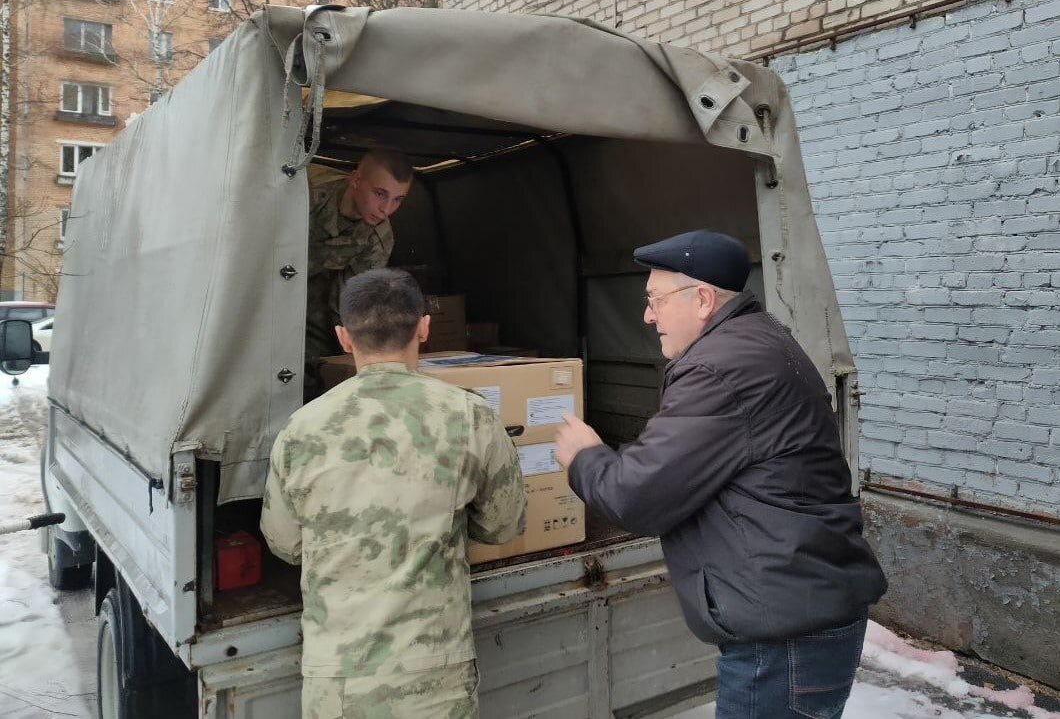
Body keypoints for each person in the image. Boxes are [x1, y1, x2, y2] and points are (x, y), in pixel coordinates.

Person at [554, 229, 887, 719]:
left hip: (785, 640)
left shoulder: (721, 369)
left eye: (655, 299)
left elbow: (637, 495)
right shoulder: (757, 340)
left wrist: (586, 456)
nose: (648, 315)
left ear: (703, 299)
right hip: (798, 615)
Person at [262, 268, 527, 718]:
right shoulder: (469, 416)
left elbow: (286, 544)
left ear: (344, 338)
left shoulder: (301, 429)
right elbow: (503, 525)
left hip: (337, 680)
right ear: (424, 327)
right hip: (435, 677)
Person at [303, 148, 414, 401]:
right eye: (380, 194)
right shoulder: (305, 191)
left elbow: (354, 297)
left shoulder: (378, 237)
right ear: (355, 180)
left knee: (320, 359)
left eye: (398, 199)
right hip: (260, 278)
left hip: (313, 293)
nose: (386, 208)